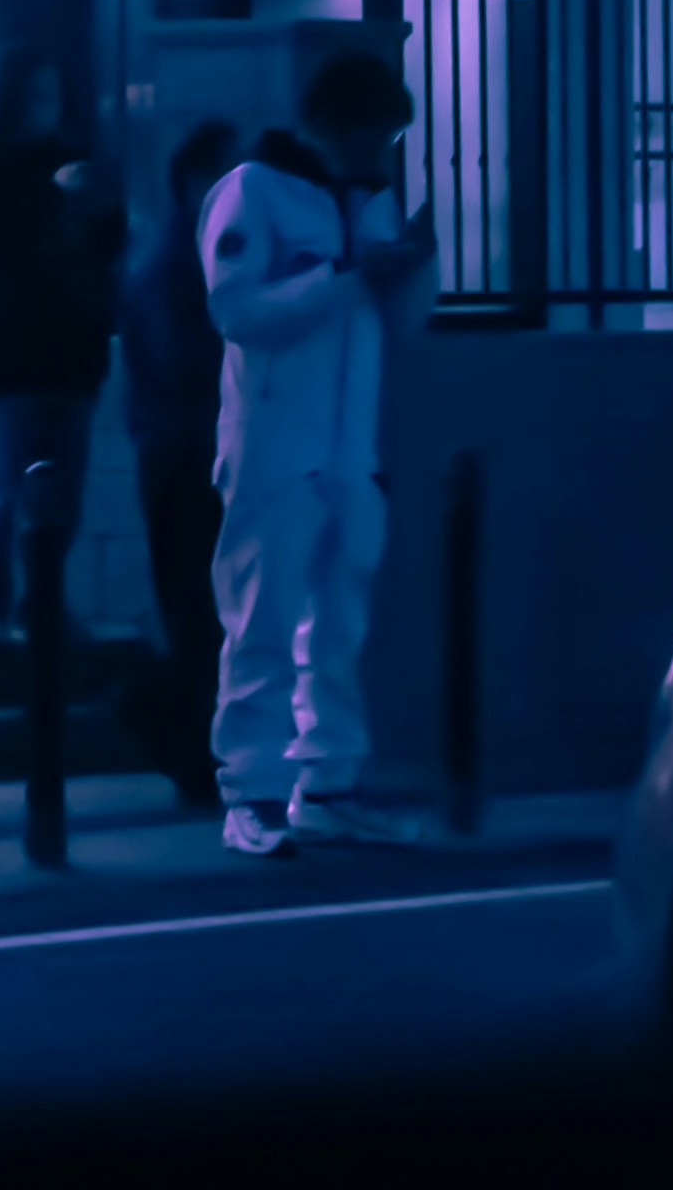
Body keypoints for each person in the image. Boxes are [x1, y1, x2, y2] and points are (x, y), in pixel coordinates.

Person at [198, 49, 434, 858]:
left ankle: (328, 784)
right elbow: (234, 310)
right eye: (377, 135)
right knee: (262, 619)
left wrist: (409, 272)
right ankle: (251, 793)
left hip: (347, 444)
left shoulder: (369, 202)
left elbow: (394, 325)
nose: (385, 153)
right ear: (336, 126)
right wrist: (343, 279)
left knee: (339, 621)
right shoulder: (253, 192)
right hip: (273, 445)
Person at [0, 52, 119, 647]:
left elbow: (109, 241)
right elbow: (6, 237)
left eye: (53, 93)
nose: (46, 107)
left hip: (71, 354)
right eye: (36, 95)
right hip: (9, 355)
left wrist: (89, 202)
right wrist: (61, 201)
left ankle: (40, 605)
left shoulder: (71, 159)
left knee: (60, 495)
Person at [115, 117, 241, 808]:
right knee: (198, 608)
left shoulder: (186, 259)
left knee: (203, 609)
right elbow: (184, 369)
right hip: (185, 455)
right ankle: (180, 738)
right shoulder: (174, 267)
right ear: (196, 183)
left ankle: (191, 744)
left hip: (189, 452)